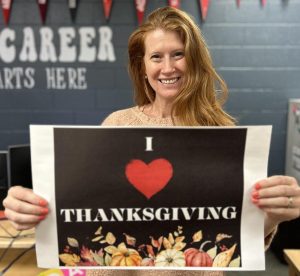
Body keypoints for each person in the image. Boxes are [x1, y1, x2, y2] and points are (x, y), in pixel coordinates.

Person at [3, 6, 300, 276]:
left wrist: (271, 217)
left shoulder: (220, 134)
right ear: (143, 67)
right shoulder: (116, 125)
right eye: (156, 56)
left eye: (178, 54)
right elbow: (85, 211)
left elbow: (233, 236)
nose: (167, 67)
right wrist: (33, 211)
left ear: (194, 60)